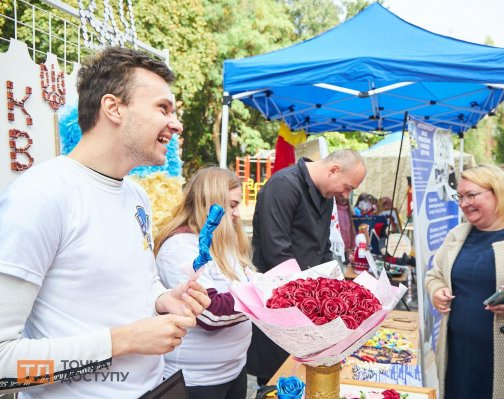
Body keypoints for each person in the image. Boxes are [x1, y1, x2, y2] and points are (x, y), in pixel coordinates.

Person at [0, 47, 210, 398]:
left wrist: (163, 299)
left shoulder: (136, 196)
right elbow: (4, 362)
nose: (176, 124)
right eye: (163, 108)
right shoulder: (41, 195)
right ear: (113, 108)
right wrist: (124, 341)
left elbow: (138, 282)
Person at [248, 149, 366, 385]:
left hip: (306, 308)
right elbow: (277, 253)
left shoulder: (326, 195)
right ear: (333, 170)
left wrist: (336, 293)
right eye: (347, 187)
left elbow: (322, 251)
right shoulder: (284, 185)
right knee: (276, 382)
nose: (345, 195)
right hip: (278, 307)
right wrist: (312, 299)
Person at [425, 164, 504, 399]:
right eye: (460, 196)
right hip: (459, 358)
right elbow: (434, 275)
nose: (464, 203)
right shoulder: (457, 235)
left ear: (498, 192)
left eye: (471, 195)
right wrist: (436, 290)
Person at [154, 167, 252, 399]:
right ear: (213, 203)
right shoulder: (179, 247)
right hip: (195, 381)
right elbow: (211, 313)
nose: (237, 213)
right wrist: (262, 296)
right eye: (233, 205)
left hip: (233, 370)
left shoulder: (223, 243)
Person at [334, 193, 356, 264]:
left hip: (348, 250)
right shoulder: (333, 211)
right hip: (336, 249)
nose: (344, 198)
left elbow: (353, 231)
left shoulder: (351, 212)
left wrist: (352, 247)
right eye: (340, 195)